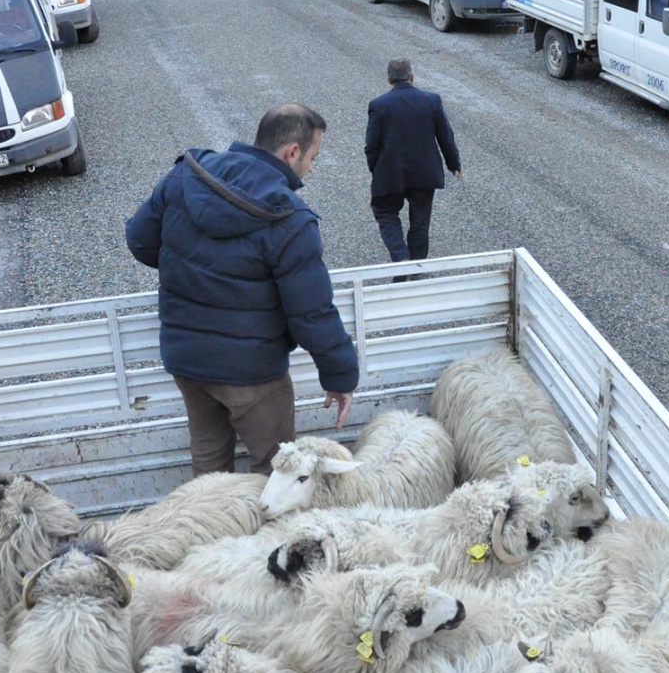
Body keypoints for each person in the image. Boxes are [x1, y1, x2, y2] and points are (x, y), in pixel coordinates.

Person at [125, 104, 359, 476]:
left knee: (208, 463)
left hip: (187, 359)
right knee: (276, 469)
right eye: (314, 156)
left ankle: (211, 531)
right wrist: (341, 378)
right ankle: (269, 535)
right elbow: (311, 312)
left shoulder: (186, 176)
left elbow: (140, 240)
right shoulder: (291, 221)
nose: (312, 167)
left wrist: (193, 269)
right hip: (252, 373)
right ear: (292, 152)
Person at [365, 59, 463, 274]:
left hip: (390, 174)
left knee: (385, 212)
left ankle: (401, 260)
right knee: (420, 220)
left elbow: (371, 146)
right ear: (412, 77)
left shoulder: (379, 105)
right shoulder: (432, 100)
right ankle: (416, 268)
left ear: (390, 79)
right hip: (425, 173)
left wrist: (377, 171)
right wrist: (454, 164)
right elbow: (445, 137)